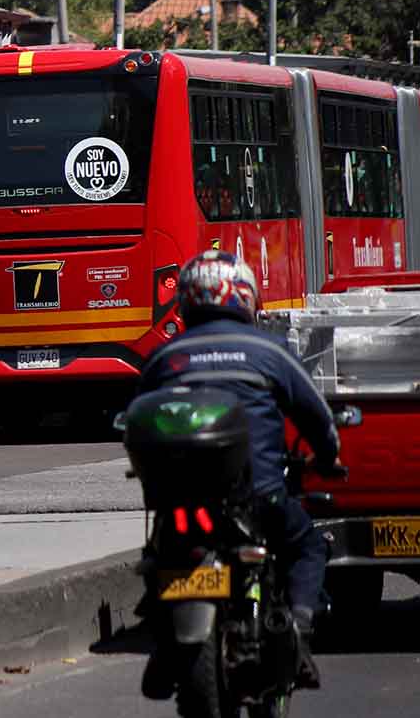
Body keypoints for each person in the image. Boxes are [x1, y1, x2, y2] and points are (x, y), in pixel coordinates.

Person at [136, 249, 343, 693]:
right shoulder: (268, 351)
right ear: (244, 296)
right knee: (308, 547)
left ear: (187, 300)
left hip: (178, 504)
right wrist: (329, 458)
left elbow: (134, 416)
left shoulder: (164, 356)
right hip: (259, 497)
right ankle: (300, 632)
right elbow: (317, 416)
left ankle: (162, 642)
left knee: (157, 558)